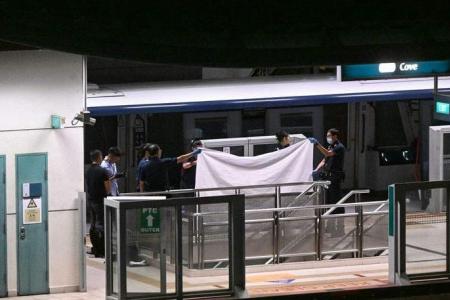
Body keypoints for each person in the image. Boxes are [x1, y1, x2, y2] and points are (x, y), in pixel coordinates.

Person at [308, 128, 346, 237]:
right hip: (329, 177)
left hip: (335, 177)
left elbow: (328, 154)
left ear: (335, 136)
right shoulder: (331, 146)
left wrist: (317, 144)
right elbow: (325, 160)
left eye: (329, 136)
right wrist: (316, 170)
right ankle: (330, 227)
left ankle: (339, 229)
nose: (328, 138)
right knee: (328, 201)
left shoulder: (339, 147)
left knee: (336, 201)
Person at [86, 150, 111, 258]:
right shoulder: (102, 171)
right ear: (99, 157)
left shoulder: (88, 171)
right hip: (100, 201)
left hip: (91, 200)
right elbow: (108, 188)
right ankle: (102, 250)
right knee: (101, 225)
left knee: (93, 225)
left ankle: (95, 248)